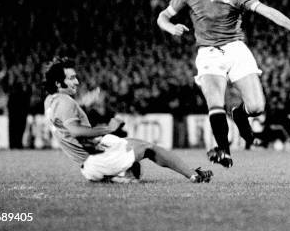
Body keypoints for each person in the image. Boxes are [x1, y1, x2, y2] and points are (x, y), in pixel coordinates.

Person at [157, 0, 290, 168]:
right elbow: (162, 16)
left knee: (257, 107)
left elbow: (266, 11)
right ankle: (224, 150)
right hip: (208, 52)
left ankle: (240, 114)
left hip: (236, 49)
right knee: (215, 101)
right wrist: (170, 27)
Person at [43, 57, 212, 183]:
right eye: (71, 78)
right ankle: (191, 175)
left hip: (89, 163)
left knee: (135, 145)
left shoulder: (51, 101)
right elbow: (75, 131)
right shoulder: (66, 102)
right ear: (58, 83)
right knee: (148, 148)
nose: (77, 81)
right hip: (98, 159)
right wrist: (107, 128)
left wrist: (82, 103)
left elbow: (65, 126)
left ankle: (120, 174)